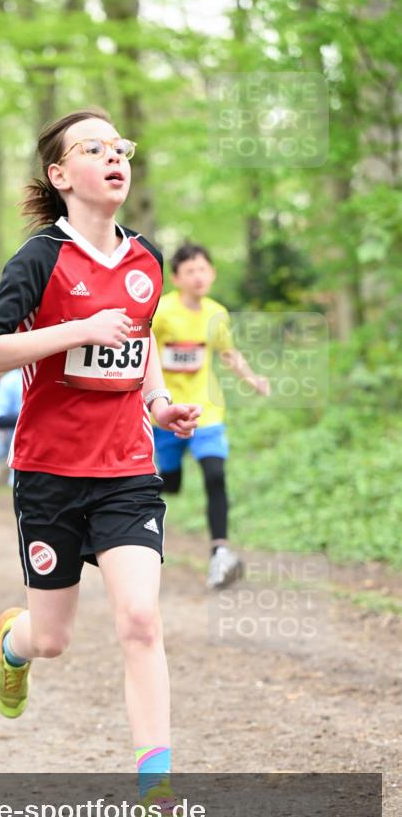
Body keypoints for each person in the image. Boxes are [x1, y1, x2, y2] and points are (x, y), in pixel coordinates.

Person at [0, 108, 202, 817]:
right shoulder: (38, 260)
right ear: (60, 175)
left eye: (120, 147)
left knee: (139, 620)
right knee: (54, 638)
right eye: (91, 148)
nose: (113, 157)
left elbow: (141, 340)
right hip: (48, 474)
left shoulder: (147, 259)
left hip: (127, 468)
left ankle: (156, 798)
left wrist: (158, 402)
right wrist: (75, 329)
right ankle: (15, 642)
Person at [152, 242, 270, 590]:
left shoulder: (217, 313)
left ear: (213, 273)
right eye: (190, 271)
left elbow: (228, 354)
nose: (198, 276)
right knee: (169, 484)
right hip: (166, 412)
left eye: (203, 269)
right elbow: (141, 351)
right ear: (175, 277)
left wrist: (252, 378)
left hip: (206, 410)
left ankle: (220, 554)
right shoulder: (161, 312)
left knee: (215, 475)